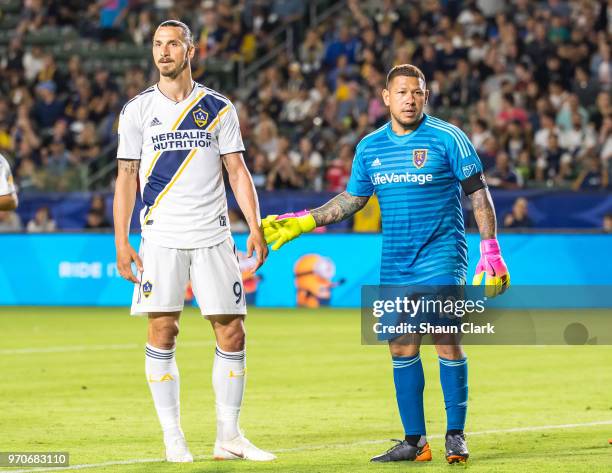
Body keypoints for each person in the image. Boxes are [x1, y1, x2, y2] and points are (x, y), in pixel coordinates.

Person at [262, 64, 510, 464]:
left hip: (442, 256)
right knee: (400, 346)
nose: (409, 99)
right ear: (385, 97)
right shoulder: (370, 147)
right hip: (396, 263)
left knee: (444, 337)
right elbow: (353, 200)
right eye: (401, 92)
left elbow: (478, 195)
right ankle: (415, 442)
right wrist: (308, 219)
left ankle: (455, 435)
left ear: (426, 96)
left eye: (416, 92)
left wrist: (491, 249)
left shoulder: (449, 138)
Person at [112, 20, 273, 463]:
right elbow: (125, 178)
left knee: (232, 331)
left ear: (191, 50)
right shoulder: (137, 110)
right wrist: (121, 240)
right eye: (157, 45)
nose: (163, 52)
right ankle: (173, 438)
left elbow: (237, 171)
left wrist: (254, 226)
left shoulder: (218, 107)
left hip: (214, 235)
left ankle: (229, 437)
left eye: (172, 44)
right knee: (163, 330)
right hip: (160, 236)